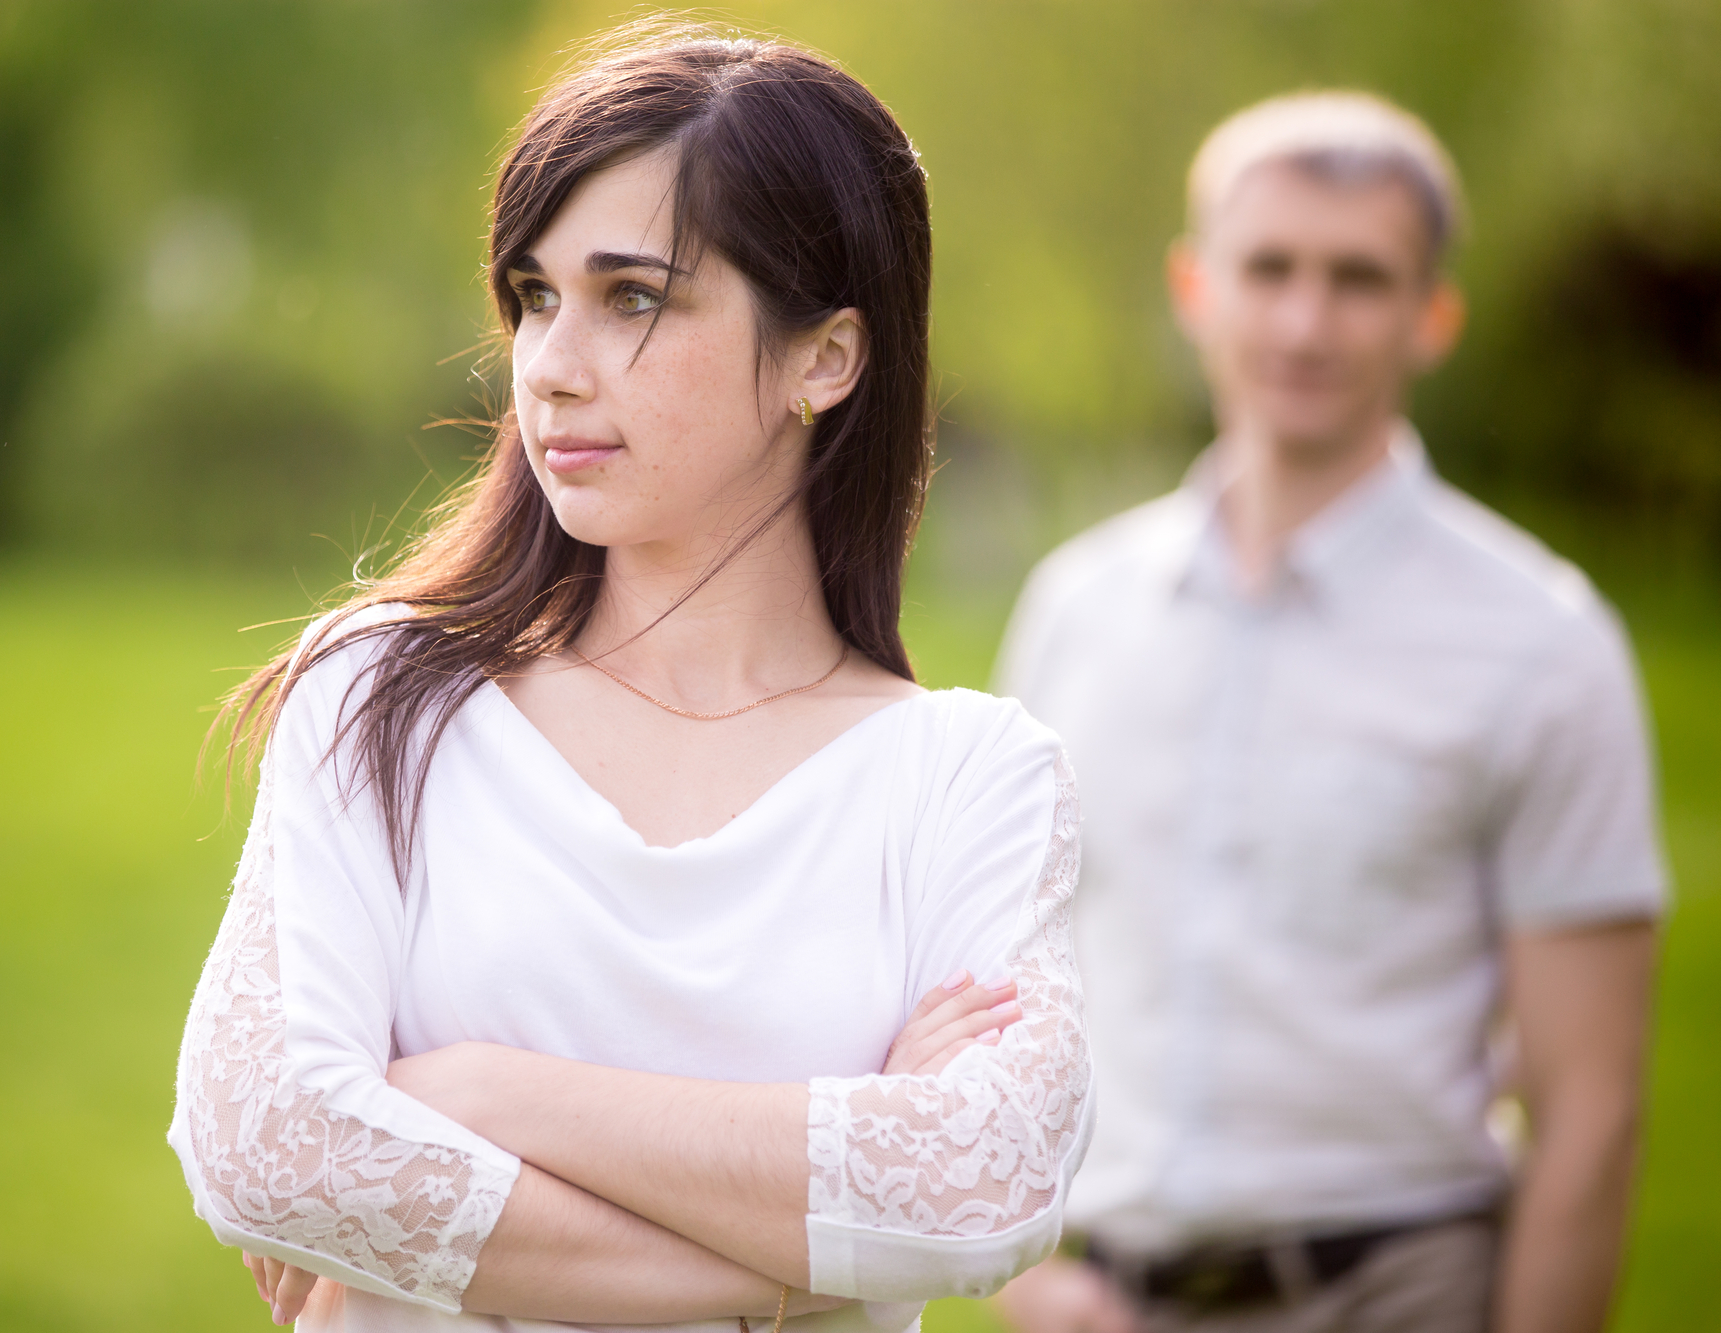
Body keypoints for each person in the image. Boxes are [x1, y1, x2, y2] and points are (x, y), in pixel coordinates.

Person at [167, 27, 1094, 1333]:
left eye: (634, 297)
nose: (549, 364)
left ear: (826, 358)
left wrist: (479, 1093)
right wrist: (818, 1244)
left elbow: (982, 1180)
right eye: (535, 296)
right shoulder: (382, 695)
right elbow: (266, 1143)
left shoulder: (967, 780)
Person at [991, 93, 1664, 1333]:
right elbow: (1001, 982)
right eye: (1269, 269)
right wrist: (1028, 1275)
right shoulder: (1075, 611)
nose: (1305, 321)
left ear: (1431, 316)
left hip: (1397, 1295)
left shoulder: (1542, 646)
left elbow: (1592, 1112)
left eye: (1357, 278)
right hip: (1103, 1304)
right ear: (1194, 288)